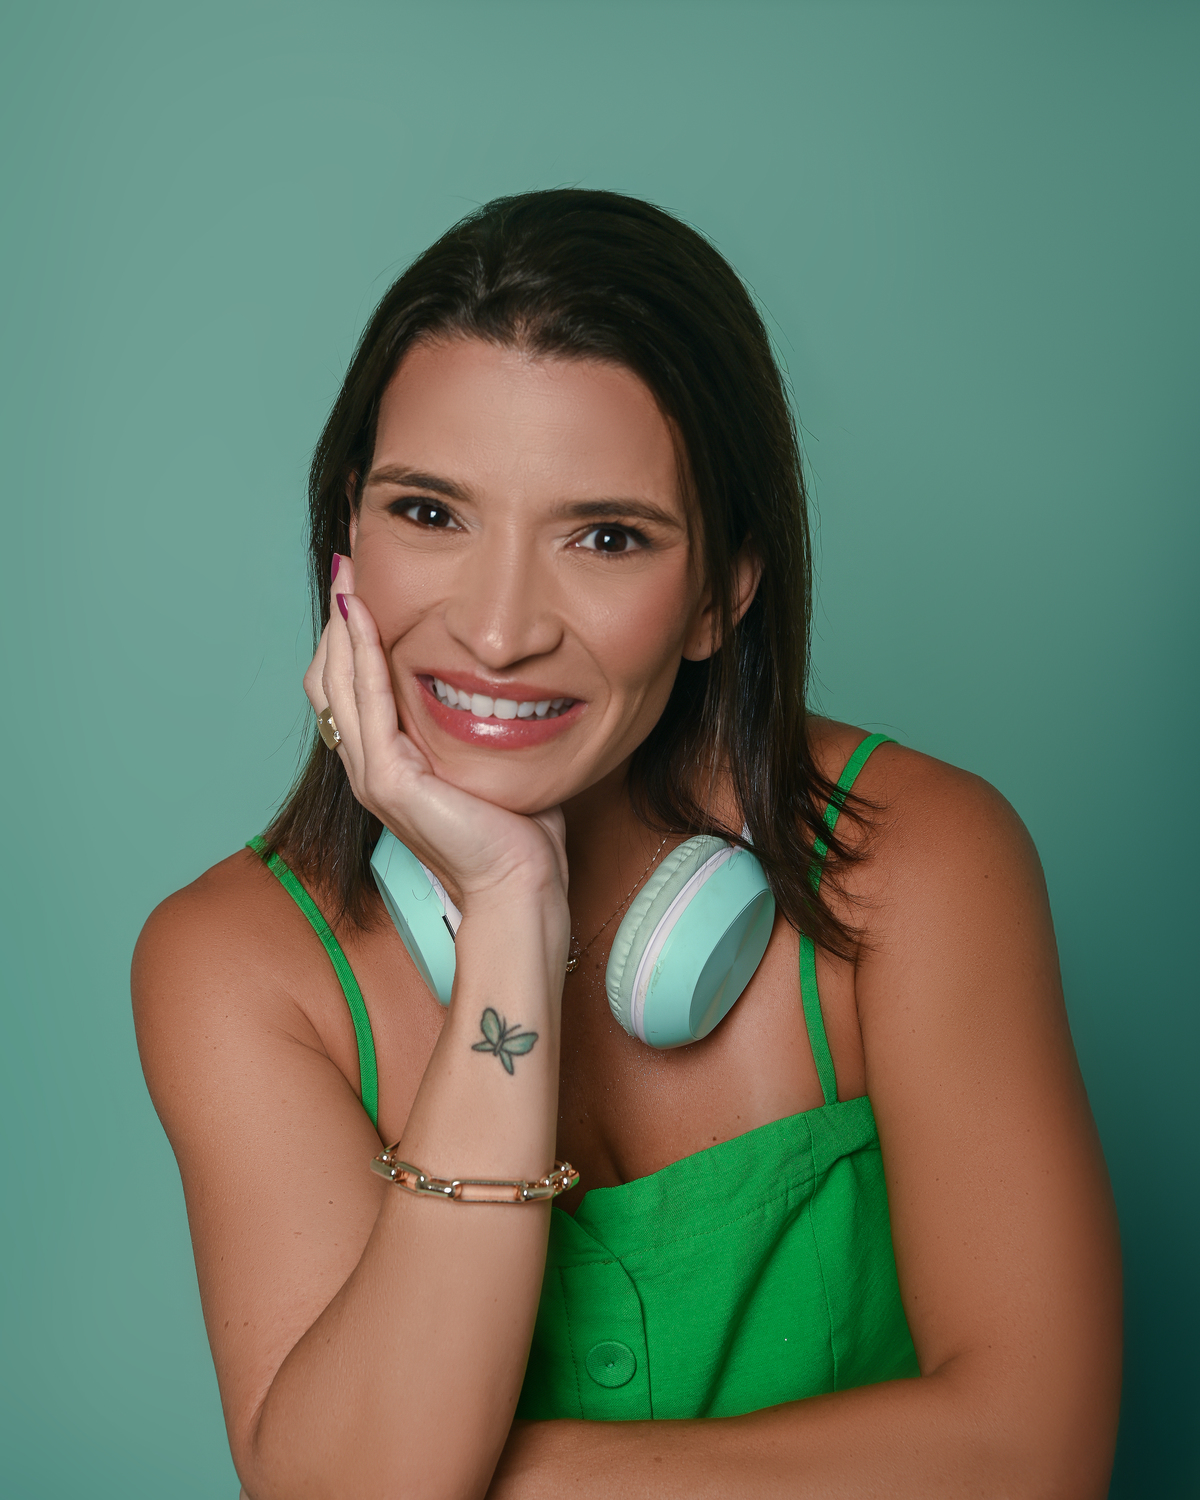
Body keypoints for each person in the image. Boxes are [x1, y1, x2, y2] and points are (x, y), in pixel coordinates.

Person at [132, 189, 1121, 1499]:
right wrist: (508, 905)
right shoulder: (235, 965)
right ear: (344, 543)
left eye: (605, 537)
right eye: (430, 513)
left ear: (720, 593)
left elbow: (1034, 1458)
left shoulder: (917, 860)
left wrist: (490, 1478)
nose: (498, 632)